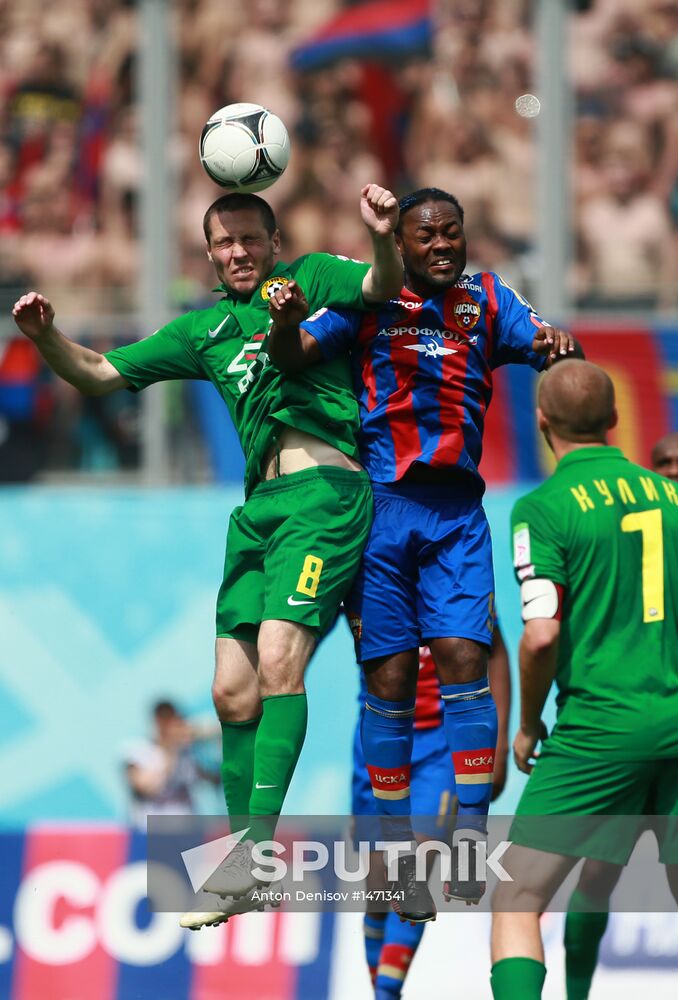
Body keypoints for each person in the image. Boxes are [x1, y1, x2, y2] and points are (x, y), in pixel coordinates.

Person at [12, 183, 404, 930]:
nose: (238, 252)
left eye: (250, 239)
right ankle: (241, 859)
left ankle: (252, 861)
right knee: (230, 693)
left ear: (273, 242)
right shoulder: (204, 331)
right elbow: (98, 373)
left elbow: (383, 284)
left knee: (281, 662)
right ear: (211, 256)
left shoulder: (312, 277)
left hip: (325, 496)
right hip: (256, 511)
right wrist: (45, 338)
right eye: (224, 244)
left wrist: (383, 235)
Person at [267, 186, 579, 920]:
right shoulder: (369, 297)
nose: (442, 245)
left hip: (456, 512)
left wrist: (557, 346)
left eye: (451, 232)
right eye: (426, 236)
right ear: (399, 244)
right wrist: (283, 324)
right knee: (391, 676)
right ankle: (399, 853)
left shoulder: (488, 298)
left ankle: (468, 837)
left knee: (465, 657)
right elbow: (293, 355)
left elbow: (549, 346)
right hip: (380, 508)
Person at [490, 361, 678, 1000]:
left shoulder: (541, 509)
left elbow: (541, 634)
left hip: (599, 729)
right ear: (615, 421)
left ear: (542, 422)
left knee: (517, 894)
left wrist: (527, 721)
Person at [562, 430, 678, 1000]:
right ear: (650, 473)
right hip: (637, 725)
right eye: (665, 462)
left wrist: (673, 672)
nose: (677, 471)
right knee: (595, 873)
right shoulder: (625, 546)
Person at [354, 625, 511, 999]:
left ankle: (387, 993)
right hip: (378, 738)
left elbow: (497, 652)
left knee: (413, 869)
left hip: (441, 744)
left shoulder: (453, 574)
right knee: (377, 889)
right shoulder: (366, 577)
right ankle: (383, 990)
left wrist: (499, 745)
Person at [123, 700, 220, 832]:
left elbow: (212, 779)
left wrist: (214, 739)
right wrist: (171, 748)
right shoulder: (137, 750)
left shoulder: (187, 754)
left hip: (186, 830)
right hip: (151, 832)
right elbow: (146, 787)